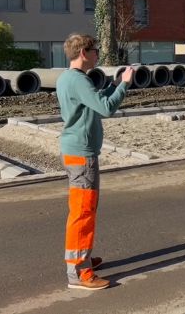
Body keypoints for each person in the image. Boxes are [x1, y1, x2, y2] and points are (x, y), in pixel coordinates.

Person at [56, 34, 133, 290]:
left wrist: (111, 86)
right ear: (83, 53)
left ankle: (83, 257)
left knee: (84, 209)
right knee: (83, 211)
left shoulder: (69, 78)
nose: (98, 54)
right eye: (95, 50)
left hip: (79, 151)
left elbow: (92, 103)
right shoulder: (78, 81)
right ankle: (78, 272)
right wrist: (123, 85)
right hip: (81, 154)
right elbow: (106, 108)